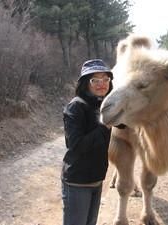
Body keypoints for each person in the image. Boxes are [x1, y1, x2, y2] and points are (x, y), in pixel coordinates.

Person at [61, 59, 113, 225]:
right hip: (78, 181)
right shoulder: (76, 107)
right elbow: (76, 145)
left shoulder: (101, 105)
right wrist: (104, 126)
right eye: (95, 80)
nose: (101, 84)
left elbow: (124, 123)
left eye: (106, 79)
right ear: (85, 83)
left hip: (96, 179)